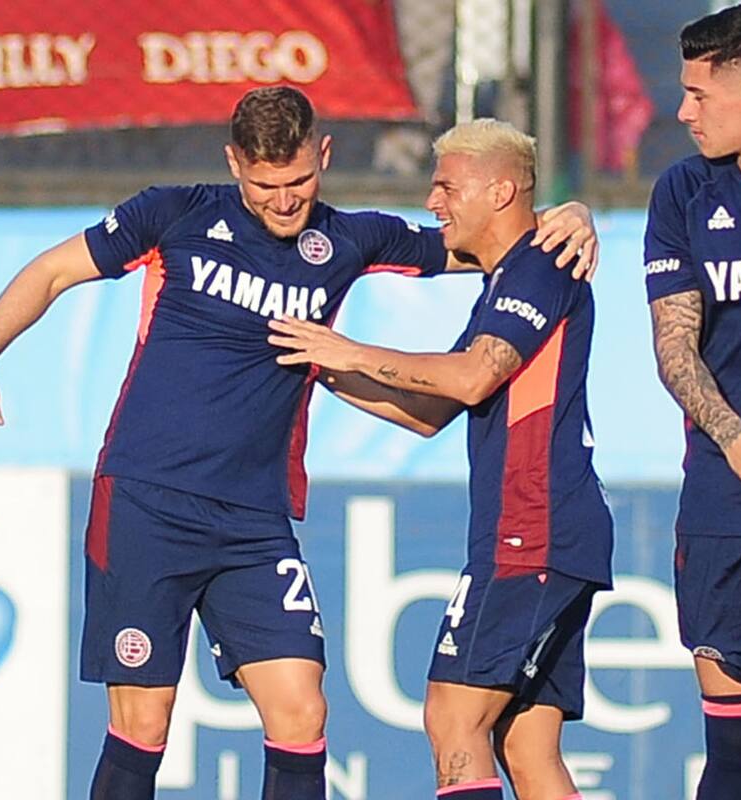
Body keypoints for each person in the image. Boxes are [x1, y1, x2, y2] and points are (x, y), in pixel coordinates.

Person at [0, 86, 595, 800]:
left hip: (255, 522)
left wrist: (568, 215)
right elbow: (50, 271)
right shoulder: (174, 213)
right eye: (264, 186)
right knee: (144, 720)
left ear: (324, 155)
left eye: (298, 182)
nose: (284, 201)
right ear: (234, 164)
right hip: (146, 501)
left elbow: (485, 239)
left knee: (301, 709)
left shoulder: (349, 239)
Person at [268, 118, 612, 800]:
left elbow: (471, 377)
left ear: (502, 191)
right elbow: (429, 412)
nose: (433, 203)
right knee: (525, 745)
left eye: (448, 186)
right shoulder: (509, 278)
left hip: (531, 531)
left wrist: (353, 352)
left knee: (452, 718)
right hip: (544, 533)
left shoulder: (540, 265)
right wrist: (322, 366)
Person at [643, 5, 741, 797]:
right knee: (736, 758)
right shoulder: (682, 193)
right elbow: (674, 345)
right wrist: (736, 437)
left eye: (699, 96)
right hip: (726, 501)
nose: (683, 113)